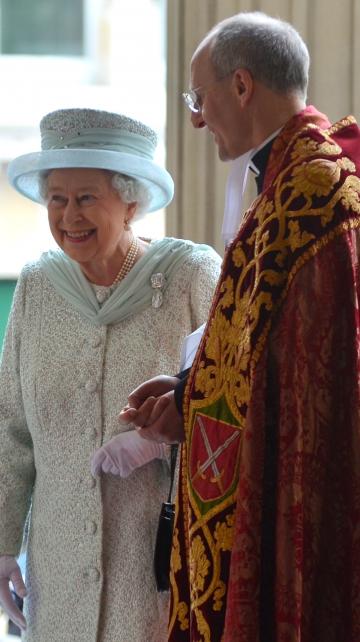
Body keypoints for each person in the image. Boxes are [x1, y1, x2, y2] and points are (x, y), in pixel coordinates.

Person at [117, 11, 360, 642]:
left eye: (201, 98)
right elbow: (253, 349)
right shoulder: (286, 185)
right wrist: (183, 393)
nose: (196, 117)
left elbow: (306, 386)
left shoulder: (314, 197)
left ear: (243, 86)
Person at [0, 107, 222, 642]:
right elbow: (11, 431)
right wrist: (4, 547)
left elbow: (237, 404)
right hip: (54, 579)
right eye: (57, 198)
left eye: (85, 198)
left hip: (153, 572)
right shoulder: (36, 286)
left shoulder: (192, 276)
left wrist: (161, 439)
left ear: (131, 202)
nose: (68, 216)